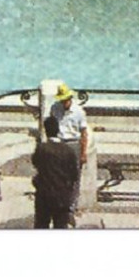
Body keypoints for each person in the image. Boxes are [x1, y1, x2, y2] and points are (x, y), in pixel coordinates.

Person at [48, 85, 90, 224]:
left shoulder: (79, 112)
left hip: (73, 144)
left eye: (65, 100)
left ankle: (71, 209)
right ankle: (59, 206)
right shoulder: (54, 108)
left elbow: (84, 133)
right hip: (59, 143)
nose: (63, 102)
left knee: (74, 178)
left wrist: (83, 152)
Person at [31, 115, 79, 229]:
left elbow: (35, 163)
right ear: (58, 130)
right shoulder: (69, 151)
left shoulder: (42, 149)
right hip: (62, 195)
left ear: (46, 131)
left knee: (41, 224)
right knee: (61, 224)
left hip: (44, 194)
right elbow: (74, 174)